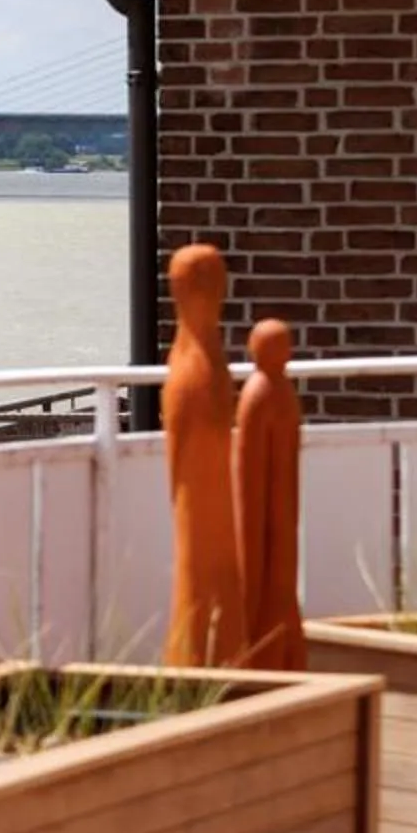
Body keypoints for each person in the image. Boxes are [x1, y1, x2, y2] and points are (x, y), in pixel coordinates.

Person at [162, 244, 248, 666]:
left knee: (200, 575)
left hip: (199, 497)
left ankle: (199, 658)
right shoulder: (205, 358)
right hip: (209, 494)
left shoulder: (193, 365)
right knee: (207, 573)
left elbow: (181, 446)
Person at [236, 317, 305, 669]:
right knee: (282, 572)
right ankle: (283, 647)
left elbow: (247, 464)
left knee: (263, 577)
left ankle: (263, 647)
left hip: (263, 504)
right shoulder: (284, 393)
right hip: (285, 506)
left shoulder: (257, 393)